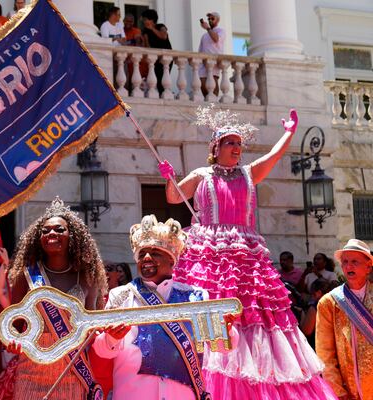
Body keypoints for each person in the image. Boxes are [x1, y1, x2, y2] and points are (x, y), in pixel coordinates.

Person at [158, 106, 337, 398]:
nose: (237, 148)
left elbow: (273, 158)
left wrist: (289, 133)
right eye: (231, 143)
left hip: (245, 257)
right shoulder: (202, 174)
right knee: (207, 315)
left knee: (254, 317)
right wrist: (169, 177)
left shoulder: (248, 174)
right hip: (208, 255)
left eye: (240, 144)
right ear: (215, 147)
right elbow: (174, 196)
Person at [92, 215, 236, 400]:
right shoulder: (121, 296)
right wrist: (112, 338)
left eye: (155, 253)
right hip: (133, 394)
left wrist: (225, 331)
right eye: (142, 254)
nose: (147, 258)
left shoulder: (195, 298)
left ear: (171, 261)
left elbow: (221, 347)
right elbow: (102, 350)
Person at [0, 197, 107, 399]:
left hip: (72, 368)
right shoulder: (26, 274)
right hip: (32, 368)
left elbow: (94, 326)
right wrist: (10, 340)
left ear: (73, 236)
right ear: (38, 238)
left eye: (60, 229)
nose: (52, 233)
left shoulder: (87, 276)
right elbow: (15, 323)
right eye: (46, 230)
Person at [316, 239, 373, 400]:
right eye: (345, 262)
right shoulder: (329, 303)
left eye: (355, 261)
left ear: (368, 267)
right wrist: (339, 392)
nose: (349, 266)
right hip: (350, 392)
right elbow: (325, 354)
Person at [141, 9, 171, 94]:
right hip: (156, 59)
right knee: (157, 80)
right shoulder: (145, 32)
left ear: (151, 20)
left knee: (164, 79)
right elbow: (147, 47)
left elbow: (164, 36)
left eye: (145, 19)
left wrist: (152, 28)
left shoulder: (160, 26)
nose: (144, 21)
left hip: (166, 58)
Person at [198, 12, 226, 97]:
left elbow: (216, 39)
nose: (210, 20)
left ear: (217, 20)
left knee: (213, 83)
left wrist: (207, 28)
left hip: (214, 63)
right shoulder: (204, 36)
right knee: (202, 84)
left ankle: (215, 103)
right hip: (203, 64)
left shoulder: (221, 31)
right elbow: (200, 50)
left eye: (212, 18)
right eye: (209, 19)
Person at [300, 278, 331, 349]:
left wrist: (302, 315)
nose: (311, 297)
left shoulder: (315, 307)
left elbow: (307, 331)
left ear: (319, 292)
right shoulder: (335, 305)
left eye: (312, 294)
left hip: (318, 349)